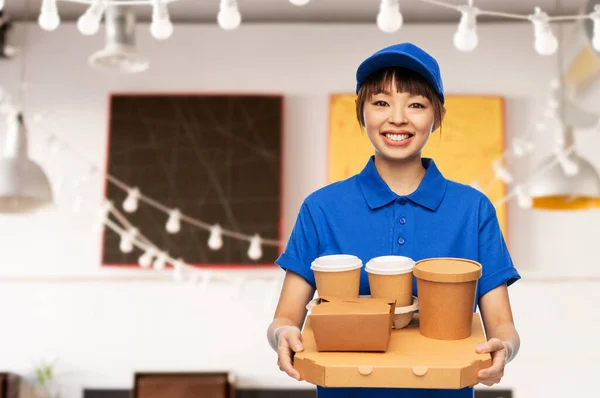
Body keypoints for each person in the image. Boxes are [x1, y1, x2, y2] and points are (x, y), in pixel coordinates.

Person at [266, 42, 521, 398]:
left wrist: (503, 350)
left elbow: (504, 327)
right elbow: (284, 319)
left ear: (437, 115)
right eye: (381, 102)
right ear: (362, 113)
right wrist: (283, 336)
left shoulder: (473, 209)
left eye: (416, 104)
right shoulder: (321, 208)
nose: (397, 118)